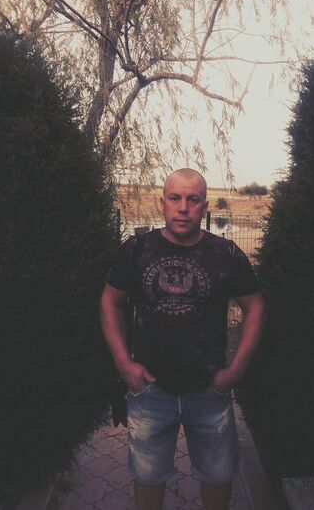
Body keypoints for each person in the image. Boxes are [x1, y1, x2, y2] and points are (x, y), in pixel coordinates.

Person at [100, 168, 265, 510]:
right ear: (163, 203)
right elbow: (110, 302)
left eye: (193, 199)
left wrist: (235, 372)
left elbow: (255, 307)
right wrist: (123, 363)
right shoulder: (137, 249)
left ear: (204, 207)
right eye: (175, 198)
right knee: (147, 478)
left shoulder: (226, 253)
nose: (183, 207)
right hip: (150, 389)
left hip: (210, 390)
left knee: (218, 477)